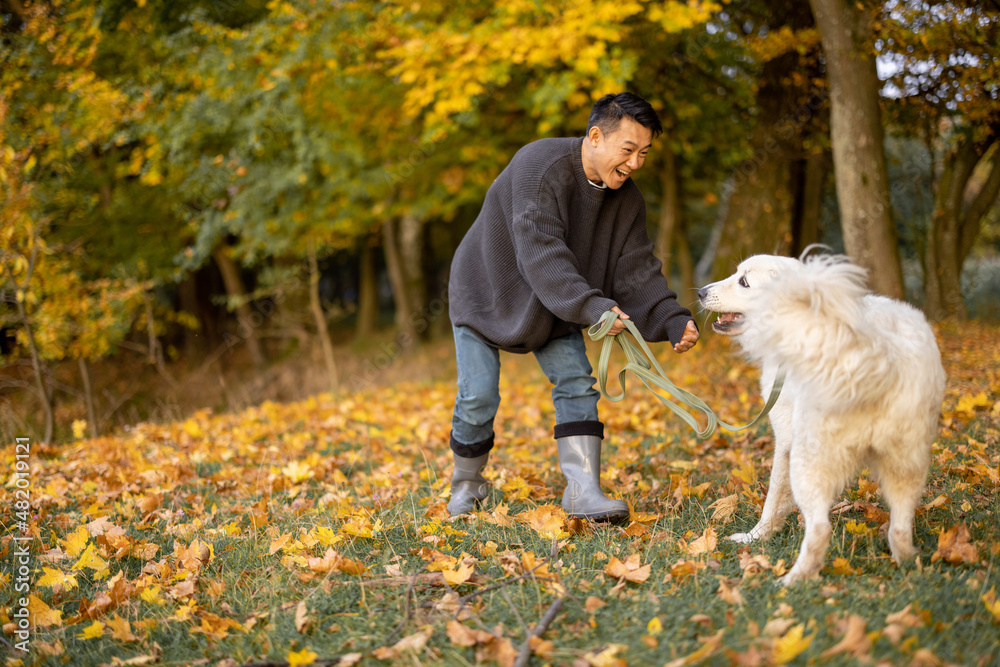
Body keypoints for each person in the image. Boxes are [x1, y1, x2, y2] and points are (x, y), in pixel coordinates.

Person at [446, 92, 700, 523]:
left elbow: (636, 268)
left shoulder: (627, 200)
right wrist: (593, 306)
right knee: (478, 395)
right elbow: (541, 254)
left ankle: (583, 491)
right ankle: (467, 483)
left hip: (557, 303)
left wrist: (672, 319)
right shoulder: (538, 167)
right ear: (596, 136)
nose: (636, 163)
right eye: (628, 150)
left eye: (644, 153)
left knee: (577, 384)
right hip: (486, 292)